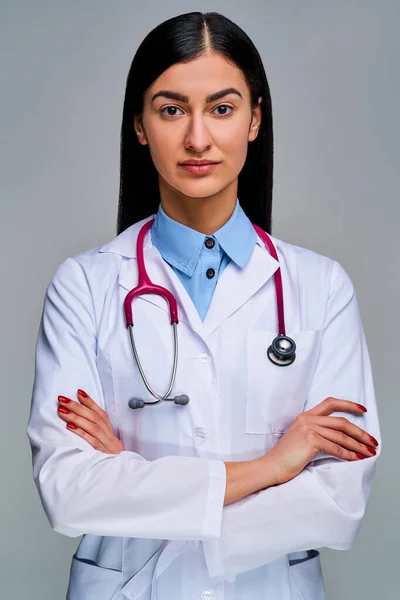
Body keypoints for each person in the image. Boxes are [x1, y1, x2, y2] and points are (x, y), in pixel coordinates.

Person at [27, 11, 381, 600]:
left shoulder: (321, 289)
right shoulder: (84, 286)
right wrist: (273, 468)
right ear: (139, 125)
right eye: (171, 110)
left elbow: (338, 505)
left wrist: (133, 484)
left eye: (222, 108)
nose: (197, 138)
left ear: (255, 119)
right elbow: (68, 493)